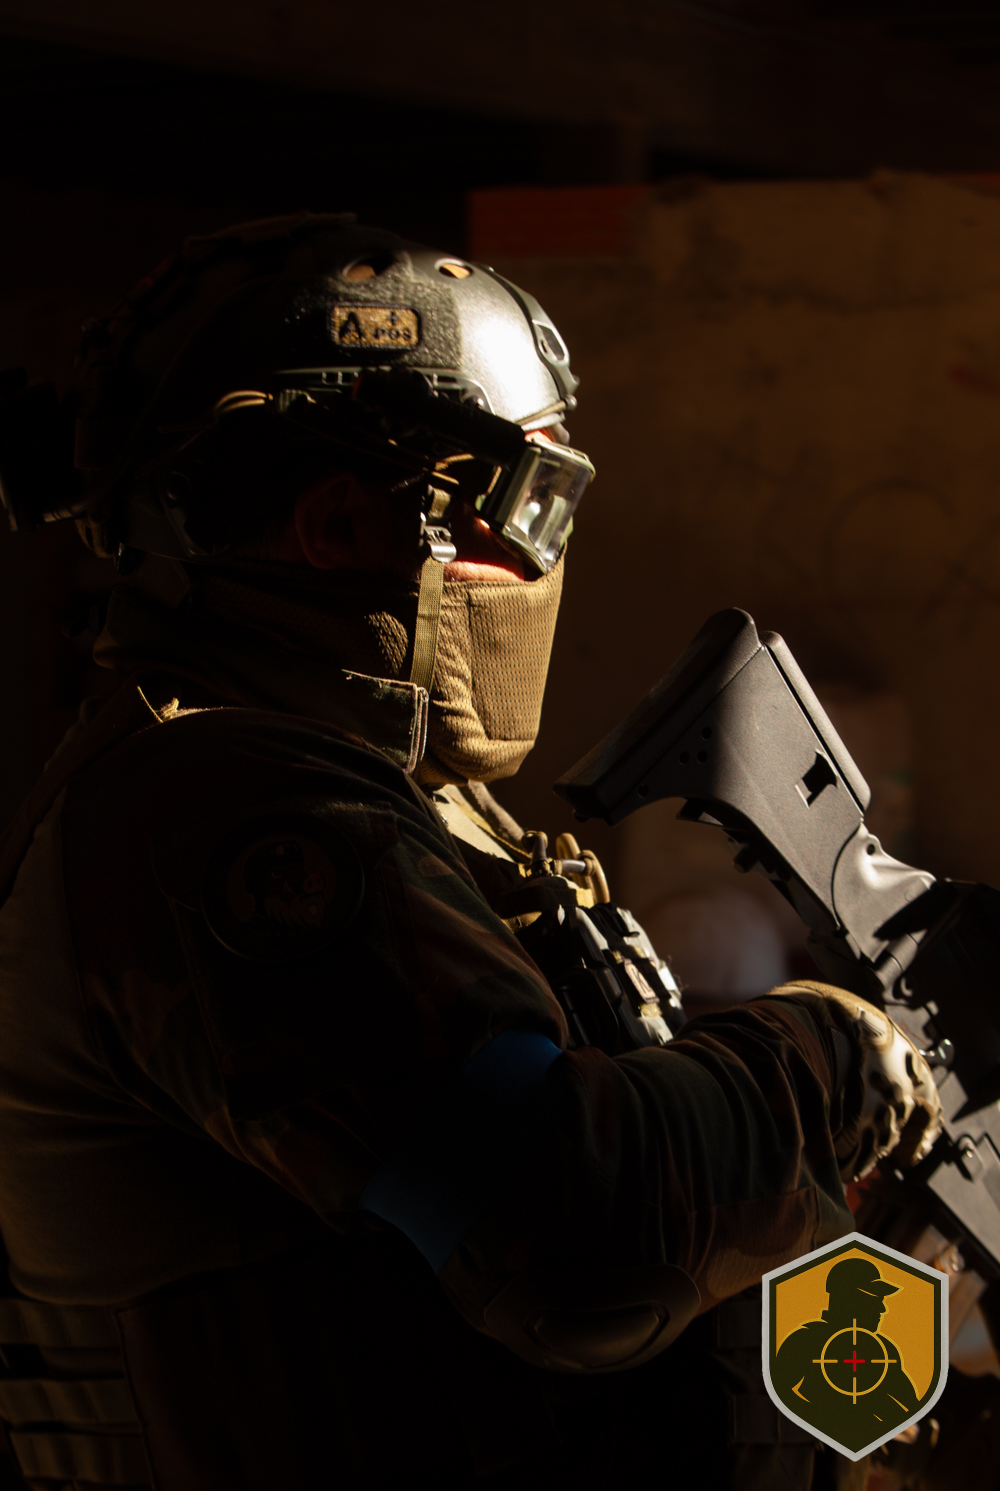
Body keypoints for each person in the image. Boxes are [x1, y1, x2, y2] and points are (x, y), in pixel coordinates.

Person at [0, 212, 942, 1491]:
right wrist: (826, 1058)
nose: (547, 557)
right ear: (341, 524)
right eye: (530, 504)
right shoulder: (234, 813)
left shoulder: (401, 802)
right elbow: (572, 1237)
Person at [773, 1257, 920, 1452]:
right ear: (847, 1296)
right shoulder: (808, 1340)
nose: (883, 1308)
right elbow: (774, 1398)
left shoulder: (884, 1351)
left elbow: (909, 1411)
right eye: (874, 1297)